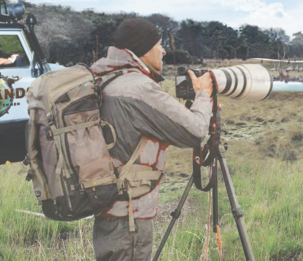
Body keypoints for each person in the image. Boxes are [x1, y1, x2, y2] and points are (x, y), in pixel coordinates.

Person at [89, 18, 214, 261]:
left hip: (105, 205)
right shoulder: (139, 88)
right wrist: (203, 95)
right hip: (129, 216)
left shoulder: (101, 77)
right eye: (159, 45)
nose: (164, 50)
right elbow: (196, 130)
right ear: (144, 50)